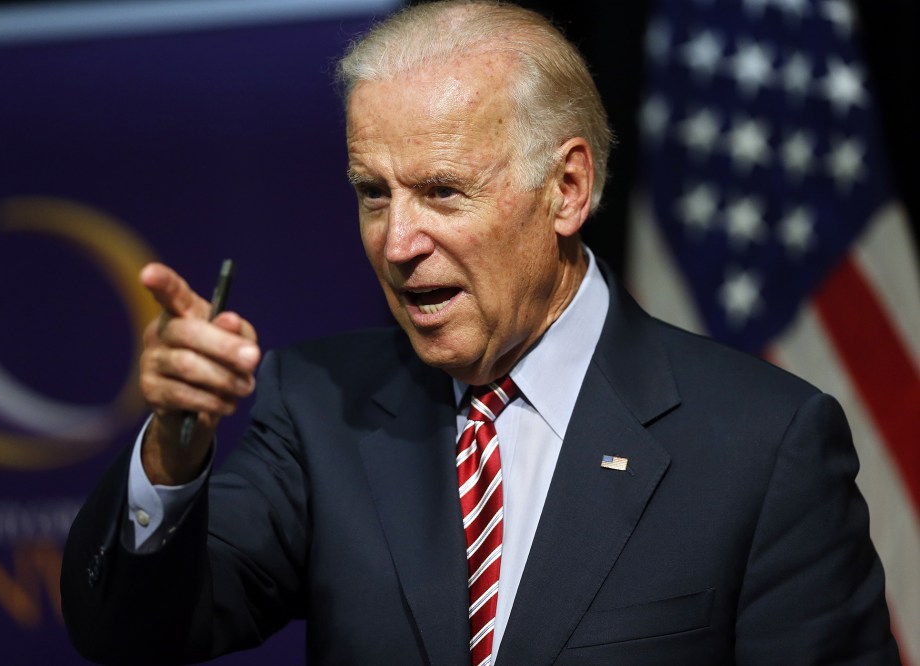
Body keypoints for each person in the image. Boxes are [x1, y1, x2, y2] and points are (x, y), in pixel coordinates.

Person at [60, 1, 901, 664]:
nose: (396, 243)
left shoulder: (762, 446)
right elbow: (132, 634)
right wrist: (172, 445)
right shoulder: (321, 409)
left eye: (443, 192)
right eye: (373, 192)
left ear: (567, 188)